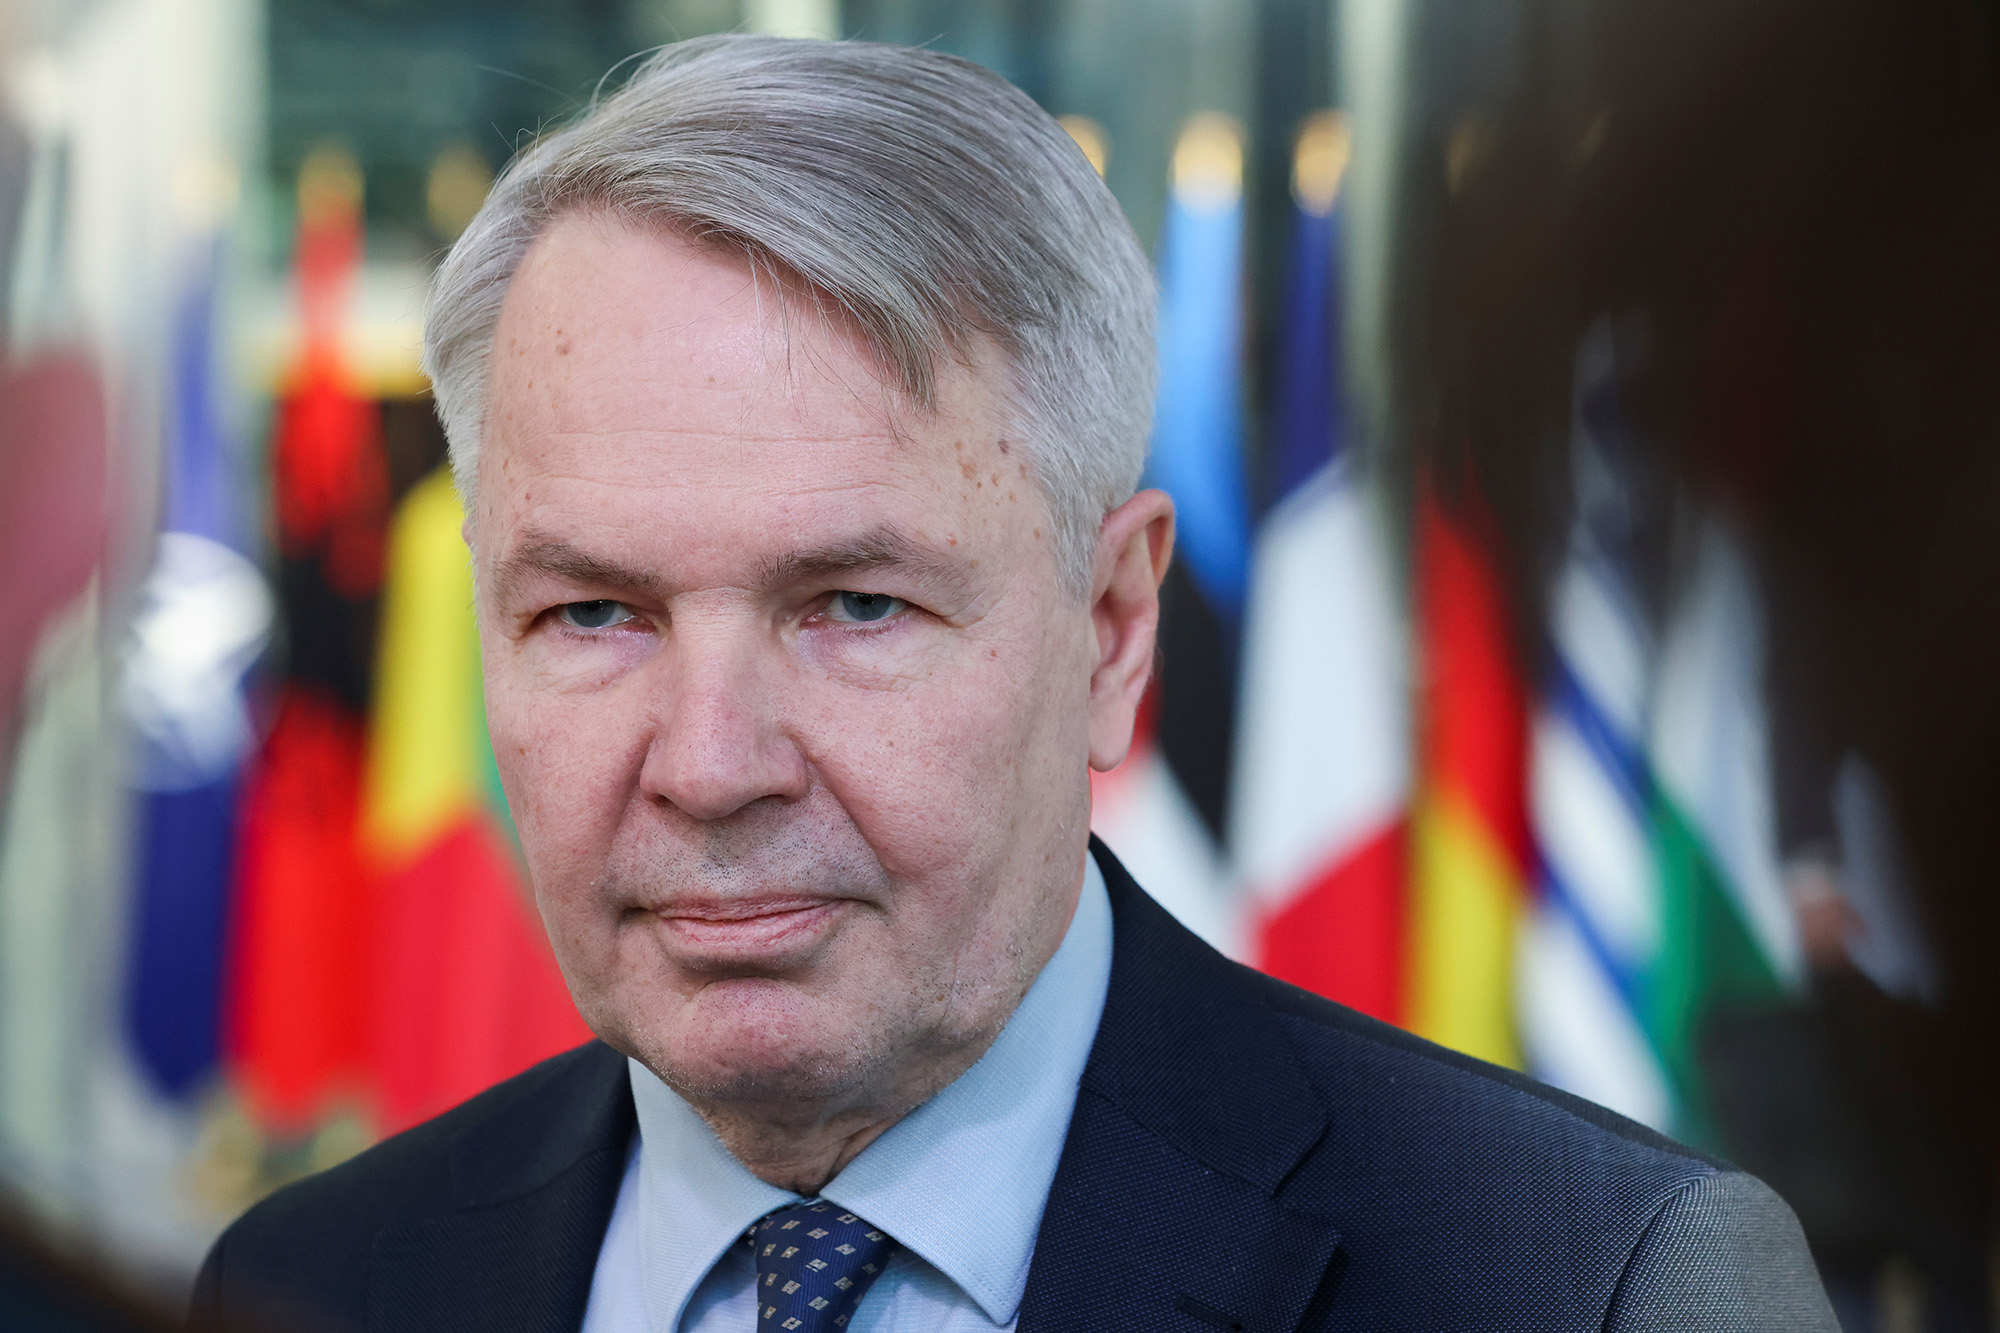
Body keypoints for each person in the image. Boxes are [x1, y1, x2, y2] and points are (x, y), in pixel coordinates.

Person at [189, 35, 1835, 1333]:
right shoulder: (315, 1285)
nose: (708, 762)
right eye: (596, 615)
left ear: (1116, 625)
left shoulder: (1584, 1291)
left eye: (852, 602)